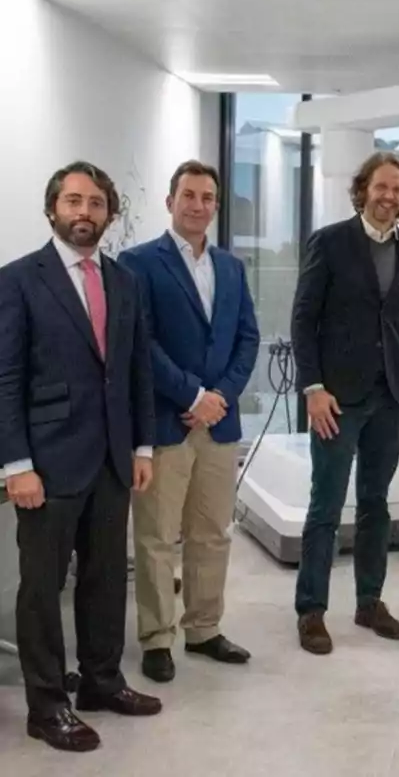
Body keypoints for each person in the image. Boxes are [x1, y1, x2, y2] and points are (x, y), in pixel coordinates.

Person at [0, 161, 160, 752]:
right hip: (46, 464)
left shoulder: (124, 282)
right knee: (41, 587)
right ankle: (46, 705)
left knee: (103, 580)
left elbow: (135, 368)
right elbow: (5, 377)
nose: (84, 213)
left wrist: (142, 446)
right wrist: (16, 464)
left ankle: (101, 681)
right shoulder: (18, 280)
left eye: (95, 203)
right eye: (73, 201)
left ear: (109, 215)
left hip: (114, 460)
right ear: (53, 209)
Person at [291, 151, 399, 655]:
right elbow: (303, 319)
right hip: (337, 398)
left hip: (392, 396)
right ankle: (311, 610)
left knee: (376, 501)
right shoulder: (330, 242)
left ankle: (369, 601)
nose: (389, 197)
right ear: (363, 190)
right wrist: (312, 388)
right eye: (382, 187)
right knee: (326, 504)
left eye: (398, 190)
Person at [119, 160, 260, 683]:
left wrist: (220, 395)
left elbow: (248, 338)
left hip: (218, 427)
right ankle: (157, 637)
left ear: (215, 206)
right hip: (166, 421)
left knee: (211, 533)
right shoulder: (137, 264)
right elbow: (140, 341)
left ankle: (203, 630)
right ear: (170, 200)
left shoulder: (232, 267)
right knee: (156, 537)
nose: (198, 205)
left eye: (207, 197)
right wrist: (193, 393)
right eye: (189, 195)